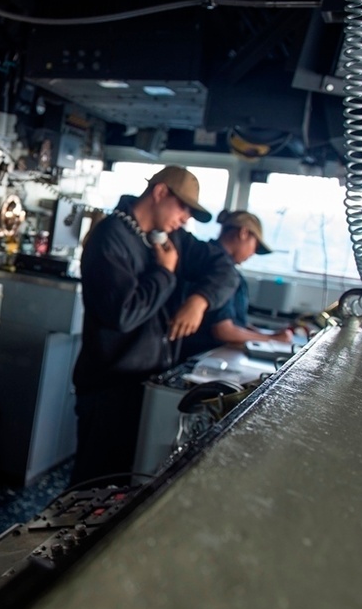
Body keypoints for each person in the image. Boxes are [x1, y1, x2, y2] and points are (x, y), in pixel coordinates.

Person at [70, 165, 239, 487]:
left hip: (149, 383)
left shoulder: (172, 238)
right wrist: (164, 273)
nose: (185, 218)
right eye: (183, 207)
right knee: (94, 482)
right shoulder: (109, 238)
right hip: (110, 388)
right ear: (160, 192)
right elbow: (123, 315)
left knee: (129, 482)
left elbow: (225, 269)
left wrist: (200, 300)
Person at [179, 210, 294, 361]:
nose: (253, 253)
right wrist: (272, 339)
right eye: (255, 246)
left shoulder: (208, 258)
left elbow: (234, 321)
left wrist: (264, 334)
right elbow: (223, 330)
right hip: (200, 356)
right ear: (243, 233)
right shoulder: (219, 271)